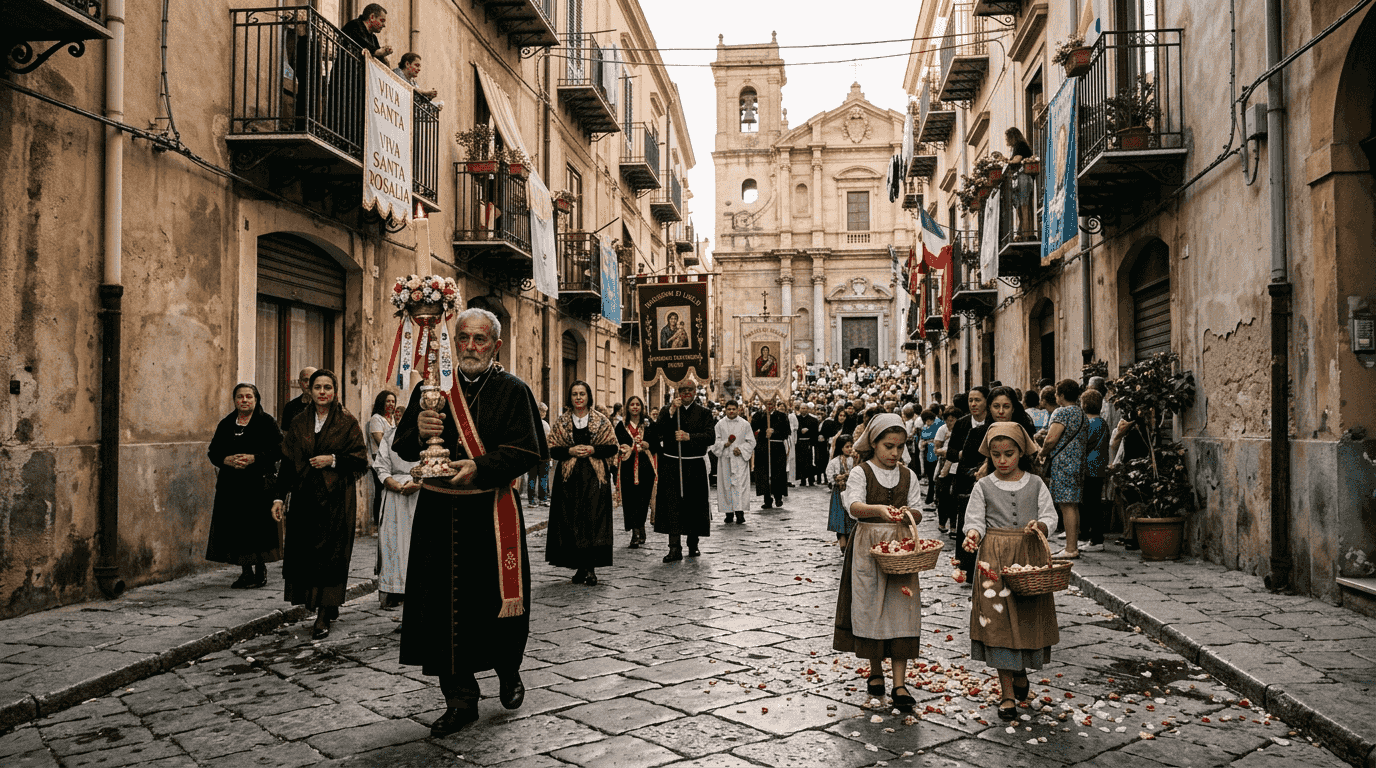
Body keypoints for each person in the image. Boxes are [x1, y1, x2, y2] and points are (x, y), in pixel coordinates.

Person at [393, 308, 548, 737]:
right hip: (438, 515)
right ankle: (459, 700)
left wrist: (479, 467)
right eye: (463, 338)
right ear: (453, 342)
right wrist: (420, 429)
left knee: (496, 604)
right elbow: (404, 446)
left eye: (480, 340)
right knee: (441, 609)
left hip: (490, 514)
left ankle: (508, 669)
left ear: (496, 346)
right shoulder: (433, 389)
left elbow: (529, 452)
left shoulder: (514, 391)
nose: (470, 347)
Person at [961, 423, 1059, 721]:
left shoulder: (1036, 483)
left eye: (1009, 454)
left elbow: (1049, 515)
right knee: (999, 623)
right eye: (996, 455)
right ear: (989, 455)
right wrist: (973, 535)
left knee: (1026, 618)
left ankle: (1019, 672)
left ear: (1021, 452)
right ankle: (1006, 692)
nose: (1003, 460)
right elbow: (974, 519)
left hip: (1028, 557)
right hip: (993, 560)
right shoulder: (983, 485)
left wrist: (1040, 526)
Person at [833, 414, 925, 713]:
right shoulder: (861, 472)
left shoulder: (908, 475)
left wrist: (907, 514)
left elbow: (918, 510)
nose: (894, 454)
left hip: (900, 548)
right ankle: (875, 670)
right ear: (874, 444)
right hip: (868, 545)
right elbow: (853, 505)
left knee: (901, 610)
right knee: (870, 606)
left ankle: (899, 682)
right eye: (888, 446)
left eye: (899, 447)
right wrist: (878, 510)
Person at [271, 370, 368, 640]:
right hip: (305, 500)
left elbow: (360, 460)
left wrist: (333, 460)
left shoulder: (347, 422)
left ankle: (324, 614)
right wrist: (279, 497)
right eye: (317, 387)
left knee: (332, 554)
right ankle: (325, 603)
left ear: (335, 391)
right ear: (309, 391)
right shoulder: (300, 421)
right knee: (307, 554)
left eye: (327, 387)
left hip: (336, 499)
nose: (322, 392)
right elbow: (288, 464)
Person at [206, 383, 282, 589]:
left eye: (249, 396)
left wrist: (255, 458)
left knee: (256, 528)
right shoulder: (227, 423)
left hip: (258, 485)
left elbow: (280, 449)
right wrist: (226, 460)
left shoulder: (266, 422)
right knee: (237, 529)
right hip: (232, 486)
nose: (244, 400)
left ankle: (260, 571)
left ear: (256, 399)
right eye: (240, 397)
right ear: (235, 400)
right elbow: (213, 451)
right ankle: (245, 572)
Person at [546, 381, 617, 586]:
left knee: (593, 521)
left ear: (588, 397)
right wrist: (569, 451)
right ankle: (578, 567)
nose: (578, 398)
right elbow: (552, 449)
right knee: (571, 522)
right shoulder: (562, 422)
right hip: (568, 481)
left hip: (595, 478)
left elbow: (612, 447)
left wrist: (594, 450)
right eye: (575, 394)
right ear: (570, 398)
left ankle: (591, 568)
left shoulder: (601, 421)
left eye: (582, 394)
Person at [651, 383, 716, 562]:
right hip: (672, 465)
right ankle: (674, 548)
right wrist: (672, 410)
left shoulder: (704, 413)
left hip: (694, 466)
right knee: (672, 506)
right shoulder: (667, 411)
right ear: (677, 393)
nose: (686, 393)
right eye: (682, 391)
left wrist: (690, 437)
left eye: (689, 390)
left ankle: (693, 544)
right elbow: (658, 432)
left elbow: (711, 436)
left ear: (695, 392)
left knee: (694, 506)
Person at [373, 421, 419, 610]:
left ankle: (415, 596)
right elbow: (381, 466)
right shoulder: (390, 436)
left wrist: (419, 483)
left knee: (414, 546)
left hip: (419, 494)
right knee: (393, 545)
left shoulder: (426, 434)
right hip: (394, 497)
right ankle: (393, 590)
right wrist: (394, 484)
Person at [1040, 378, 1089, 559]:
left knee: (1066, 505)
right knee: (1072, 505)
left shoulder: (1062, 413)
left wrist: (1042, 452)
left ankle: (1070, 548)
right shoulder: (1081, 413)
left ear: (1061, 395)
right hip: (1077, 462)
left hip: (1064, 463)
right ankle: (1072, 545)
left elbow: (1051, 439)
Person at [949, 387, 991, 583]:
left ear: (985, 402)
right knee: (966, 523)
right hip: (966, 478)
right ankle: (966, 567)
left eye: (977, 400)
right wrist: (966, 455)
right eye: (970, 400)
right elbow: (951, 452)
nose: (973, 404)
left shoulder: (993, 423)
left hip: (989, 476)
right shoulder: (962, 423)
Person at [616, 396, 656, 547]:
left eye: (637, 404)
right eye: (632, 404)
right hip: (627, 467)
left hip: (645, 468)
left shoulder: (648, 424)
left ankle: (641, 526)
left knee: (642, 500)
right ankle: (634, 533)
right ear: (627, 407)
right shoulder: (621, 426)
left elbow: (657, 443)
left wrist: (648, 444)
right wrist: (627, 449)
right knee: (630, 500)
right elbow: (617, 443)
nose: (634, 407)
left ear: (641, 407)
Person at [711, 400, 756, 524]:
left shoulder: (745, 424)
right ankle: (728, 513)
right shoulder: (719, 424)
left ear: (738, 410)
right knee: (726, 486)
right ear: (725, 410)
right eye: (729, 409)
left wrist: (741, 449)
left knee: (739, 486)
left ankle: (740, 512)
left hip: (739, 461)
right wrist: (724, 444)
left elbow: (751, 442)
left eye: (733, 409)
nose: (731, 411)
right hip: (725, 459)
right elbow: (714, 442)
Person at [1080, 389, 1110, 553]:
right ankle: (1094, 538)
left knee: (1090, 505)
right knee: (1094, 503)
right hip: (1099, 467)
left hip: (1088, 467)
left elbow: (1084, 444)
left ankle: (1096, 539)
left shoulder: (1089, 424)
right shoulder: (1102, 423)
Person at [751, 398, 790, 509]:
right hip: (763, 448)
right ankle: (767, 499)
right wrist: (763, 433)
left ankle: (778, 497)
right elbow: (752, 428)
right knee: (764, 473)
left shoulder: (781, 416)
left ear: (774, 404)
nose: (769, 405)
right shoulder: (758, 415)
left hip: (777, 447)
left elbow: (786, 432)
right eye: (767, 403)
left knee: (777, 473)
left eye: (771, 403)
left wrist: (774, 432)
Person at [368, 389, 398, 525]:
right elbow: (380, 441)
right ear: (382, 402)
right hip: (379, 461)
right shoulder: (376, 419)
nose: (391, 404)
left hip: (391, 460)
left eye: (393, 401)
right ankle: (378, 523)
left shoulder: (392, 420)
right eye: (388, 401)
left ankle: (388, 520)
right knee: (380, 491)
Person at [824, 433, 858, 549]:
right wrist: (839, 478)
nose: (849, 449)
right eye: (847, 447)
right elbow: (830, 476)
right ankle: (842, 542)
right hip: (839, 493)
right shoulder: (834, 462)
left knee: (851, 517)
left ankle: (851, 543)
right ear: (841, 448)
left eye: (851, 446)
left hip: (852, 492)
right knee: (840, 517)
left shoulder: (855, 460)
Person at [527, 402, 552, 507]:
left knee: (532, 477)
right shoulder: (545, 425)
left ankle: (531, 501)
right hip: (544, 454)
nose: (545, 413)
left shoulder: (530, 423)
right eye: (544, 411)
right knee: (543, 477)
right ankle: (543, 499)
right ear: (541, 411)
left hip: (532, 454)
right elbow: (549, 440)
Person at [279, 366, 317, 433]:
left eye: (312, 380)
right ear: (299, 383)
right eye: (305, 380)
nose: (308, 384)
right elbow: (286, 434)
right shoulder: (290, 407)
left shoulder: (327, 405)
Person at [918, 410, 941, 509]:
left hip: (934, 456)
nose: (927, 423)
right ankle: (930, 498)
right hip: (928, 455)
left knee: (933, 478)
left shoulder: (937, 425)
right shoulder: (928, 427)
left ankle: (932, 498)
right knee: (931, 478)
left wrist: (927, 442)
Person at [795, 402, 820, 486]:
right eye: (802, 408)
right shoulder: (796, 418)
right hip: (799, 443)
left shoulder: (813, 420)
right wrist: (800, 431)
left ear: (808, 409)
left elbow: (815, 432)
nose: (803, 410)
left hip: (809, 443)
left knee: (809, 462)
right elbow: (793, 430)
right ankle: (802, 480)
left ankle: (811, 480)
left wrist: (808, 430)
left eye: (805, 408)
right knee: (800, 462)